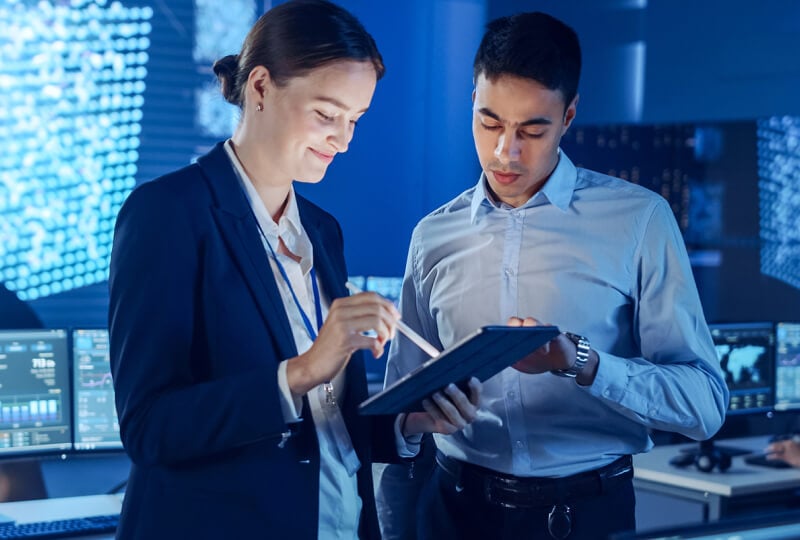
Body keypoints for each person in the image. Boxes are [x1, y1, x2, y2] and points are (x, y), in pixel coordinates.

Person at [108, 1, 479, 539]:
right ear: (259, 88)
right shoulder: (166, 215)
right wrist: (302, 370)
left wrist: (408, 423)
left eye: (355, 120)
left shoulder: (322, 231)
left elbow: (324, 425)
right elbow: (150, 428)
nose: (344, 140)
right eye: (327, 115)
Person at [379, 11, 728, 540]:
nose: (505, 152)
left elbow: (704, 406)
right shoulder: (432, 236)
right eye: (489, 122)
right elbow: (399, 413)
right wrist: (412, 422)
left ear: (568, 117)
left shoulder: (638, 220)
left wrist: (582, 363)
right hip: (450, 513)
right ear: (471, 100)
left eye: (531, 130)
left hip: (585, 517)